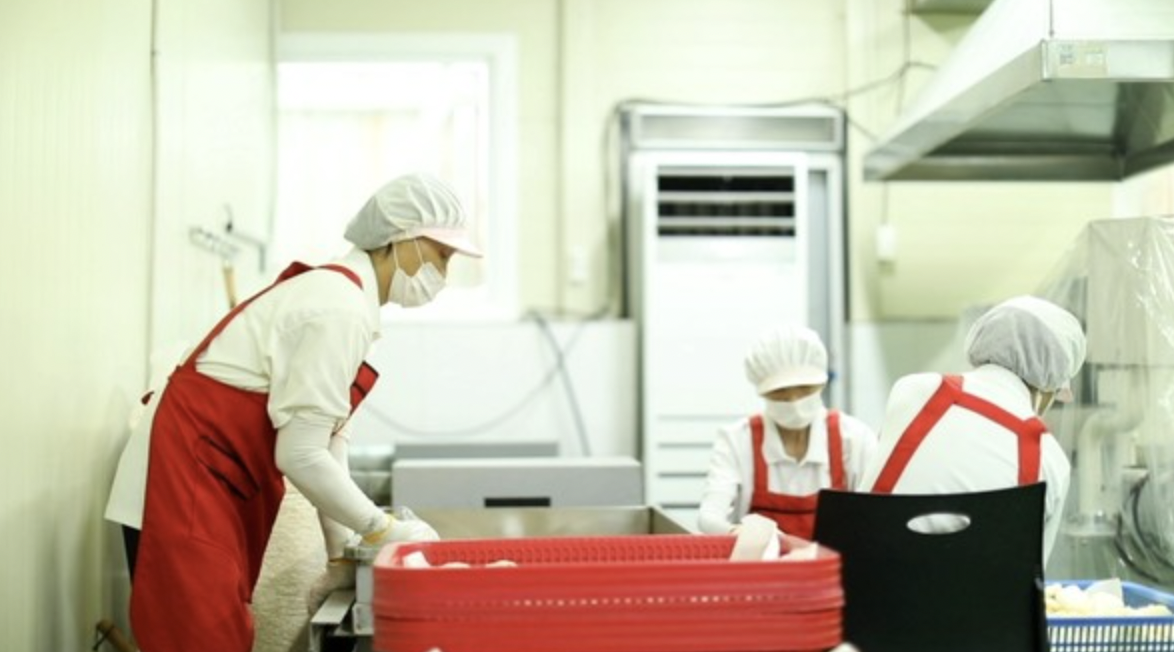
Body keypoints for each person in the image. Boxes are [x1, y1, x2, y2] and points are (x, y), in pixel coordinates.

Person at [104, 172, 482, 652]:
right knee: (202, 638)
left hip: (209, 480)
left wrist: (340, 557)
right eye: (442, 255)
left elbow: (329, 443)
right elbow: (300, 454)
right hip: (178, 479)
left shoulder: (350, 305)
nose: (444, 274)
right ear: (400, 238)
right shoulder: (337, 308)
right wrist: (381, 528)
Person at [858, 295, 1086, 565]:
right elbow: (1030, 577)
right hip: (966, 592)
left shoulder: (912, 390)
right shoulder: (1051, 460)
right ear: (1049, 384)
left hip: (858, 580)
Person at [698, 325, 879, 540]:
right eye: (780, 392)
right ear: (762, 391)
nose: (794, 401)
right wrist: (735, 532)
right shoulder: (738, 440)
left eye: (804, 388)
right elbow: (708, 517)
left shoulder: (855, 439)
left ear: (821, 383)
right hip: (761, 562)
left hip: (837, 562)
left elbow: (878, 516)